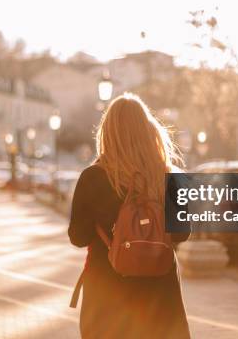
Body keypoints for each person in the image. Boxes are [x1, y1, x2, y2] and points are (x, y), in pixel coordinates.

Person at [68, 93, 190, 339]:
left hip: (107, 294)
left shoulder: (93, 177)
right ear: (148, 130)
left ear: (107, 133)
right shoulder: (171, 176)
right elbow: (182, 232)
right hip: (160, 295)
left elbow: (78, 237)